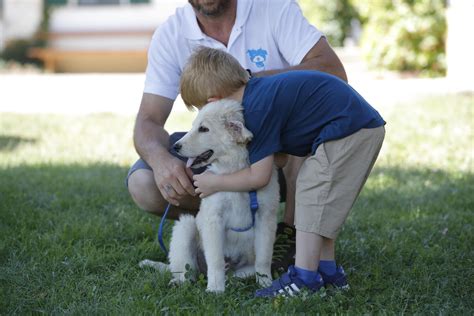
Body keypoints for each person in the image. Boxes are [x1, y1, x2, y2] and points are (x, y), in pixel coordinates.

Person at [126, 0, 347, 273]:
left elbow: (333, 71)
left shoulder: (273, 8)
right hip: (222, 150)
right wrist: (161, 162)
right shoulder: (171, 33)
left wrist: (248, 85)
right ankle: (227, 234)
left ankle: (289, 234)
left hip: (282, 154)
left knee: (303, 133)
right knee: (143, 184)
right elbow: (148, 121)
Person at [178, 47, 385, 297]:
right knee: (323, 202)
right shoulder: (260, 95)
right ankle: (328, 272)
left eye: (202, 109)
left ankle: (305, 278)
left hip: (350, 129)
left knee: (312, 193)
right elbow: (282, 158)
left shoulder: (256, 109)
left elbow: (259, 177)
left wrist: (215, 183)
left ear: (214, 101)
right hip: (356, 125)